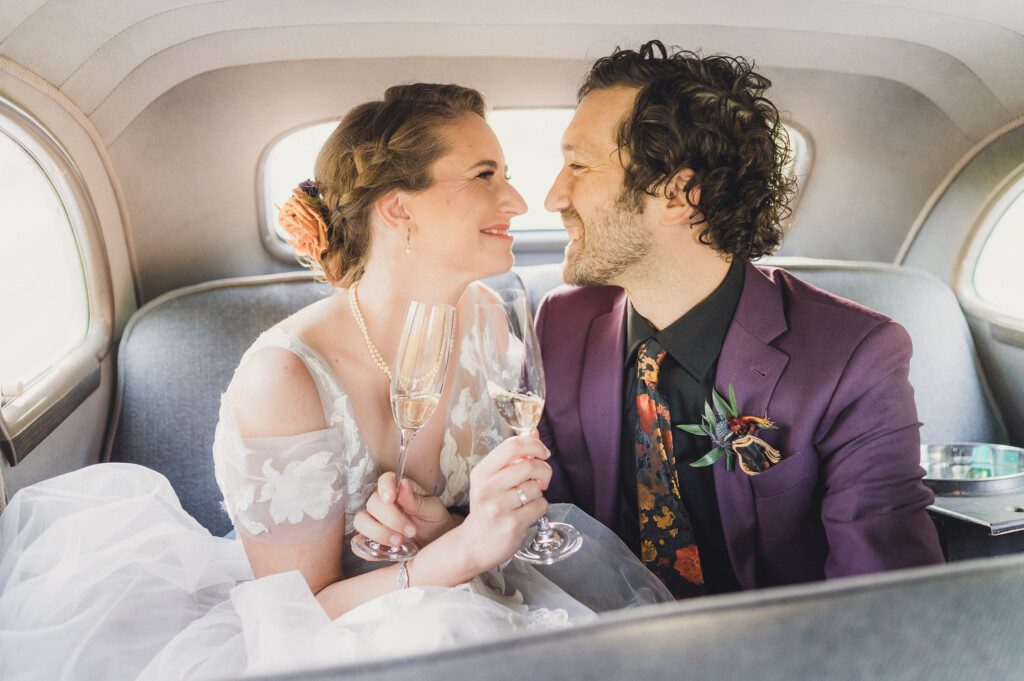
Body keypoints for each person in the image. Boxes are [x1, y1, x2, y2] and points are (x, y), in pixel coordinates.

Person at [0, 83, 669, 681]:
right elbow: (298, 619)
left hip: (483, 595)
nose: (518, 199)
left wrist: (446, 523)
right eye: (485, 173)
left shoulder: (489, 315)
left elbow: (468, 522)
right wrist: (464, 547)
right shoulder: (283, 378)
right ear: (397, 210)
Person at [534, 41, 945, 598]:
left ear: (678, 193)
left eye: (579, 166)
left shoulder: (855, 356)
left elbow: (886, 594)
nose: (554, 195)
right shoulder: (561, 324)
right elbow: (540, 519)